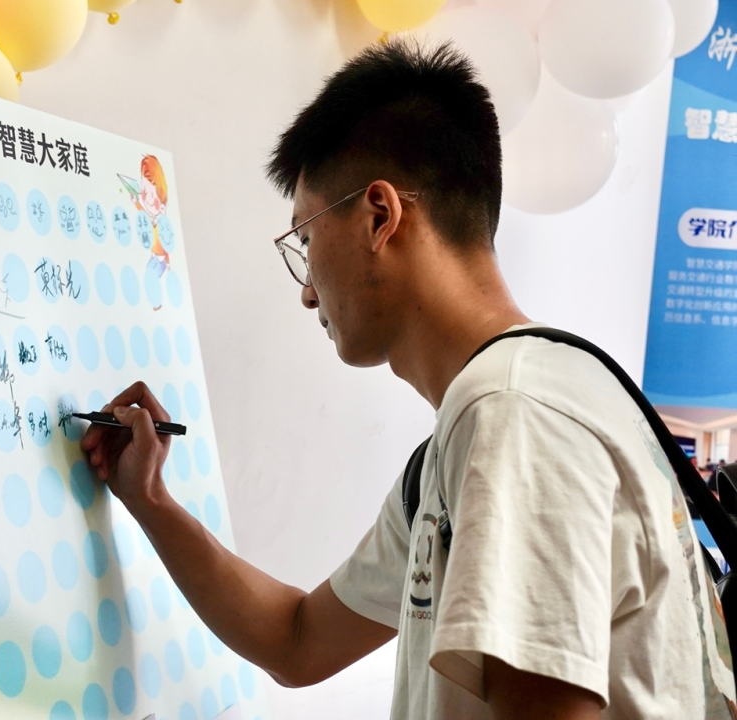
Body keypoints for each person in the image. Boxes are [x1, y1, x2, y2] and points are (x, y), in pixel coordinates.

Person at [81, 39, 735, 719]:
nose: (307, 292)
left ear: (380, 216)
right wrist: (149, 497)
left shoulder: (513, 415)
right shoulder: (485, 429)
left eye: (305, 239)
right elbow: (297, 640)